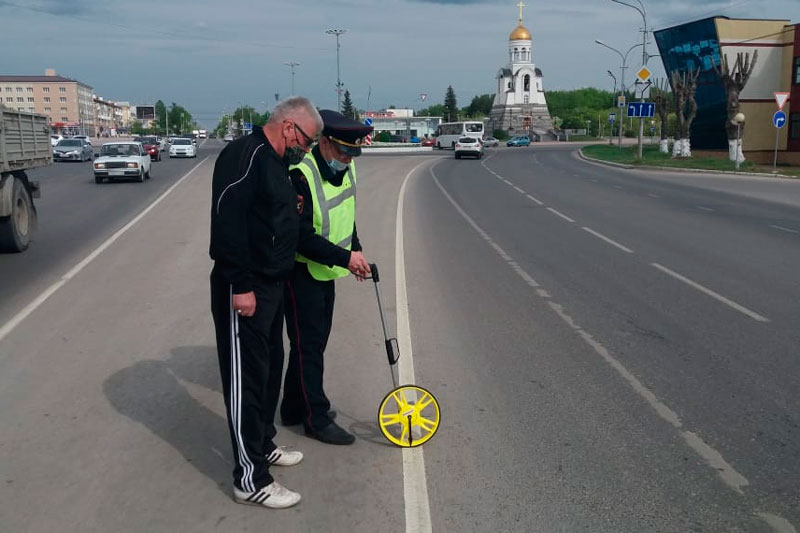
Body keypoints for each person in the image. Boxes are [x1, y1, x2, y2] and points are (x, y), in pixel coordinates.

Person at [209, 97, 322, 509]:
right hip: (246, 287)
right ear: (290, 126)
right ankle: (250, 478)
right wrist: (240, 284)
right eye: (308, 142)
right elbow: (227, 223)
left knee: (270, 368)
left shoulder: (279, 165)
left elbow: (288, 229)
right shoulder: (246, 156)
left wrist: (347, 258)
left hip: (272, 286)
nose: (307, 150)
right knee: (247, 381)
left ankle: (263, 445)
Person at [281, 109, 372, 445]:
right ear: (324, 143)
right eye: (343, 151)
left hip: (328, 270)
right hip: (301, 271)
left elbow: (346, 214)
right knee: (309, 348)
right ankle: (315, 417)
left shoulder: (347, 168)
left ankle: (293, 407)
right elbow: (301, 237)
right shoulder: (300, 175)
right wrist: (346, 258)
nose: (348, 159)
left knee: (311, 344)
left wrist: (356, 251)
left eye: (353, 153)